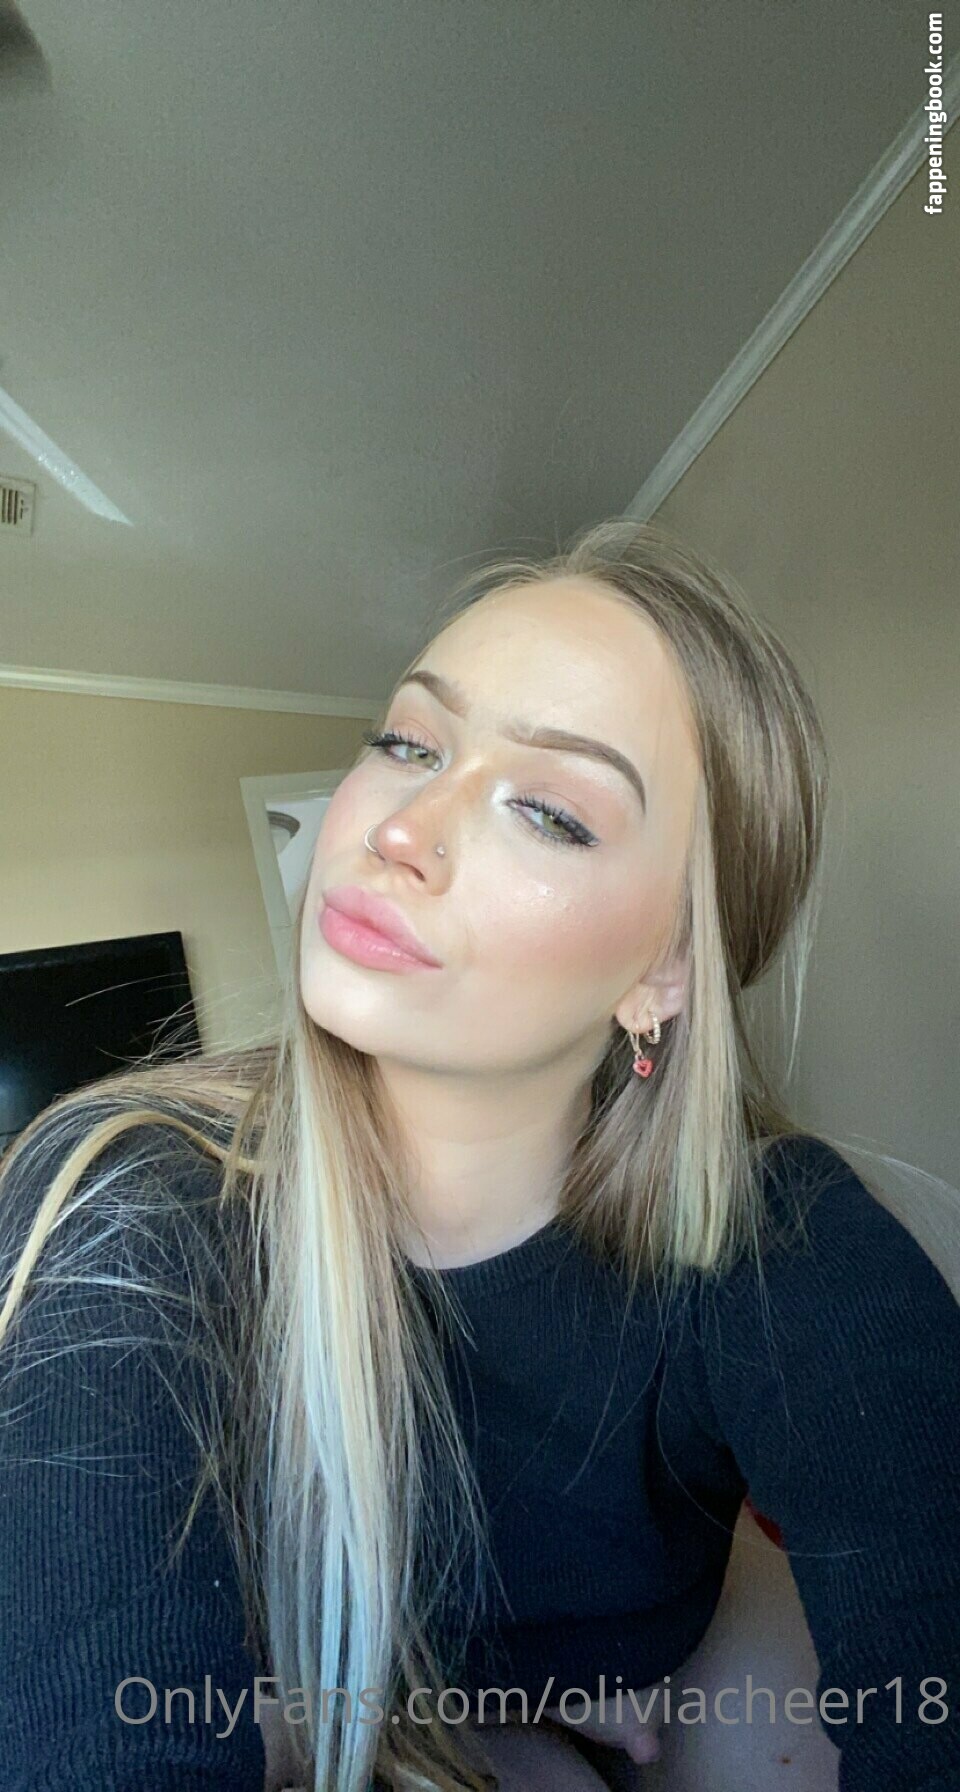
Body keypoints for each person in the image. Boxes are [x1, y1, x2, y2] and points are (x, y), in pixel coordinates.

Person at [1, 518, 958, 1792]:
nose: (403, 826)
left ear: (665, 967)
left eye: (549, 811)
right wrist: (333, 1721)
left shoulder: (783, 1238)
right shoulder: (127, 1201)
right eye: (409, 741)